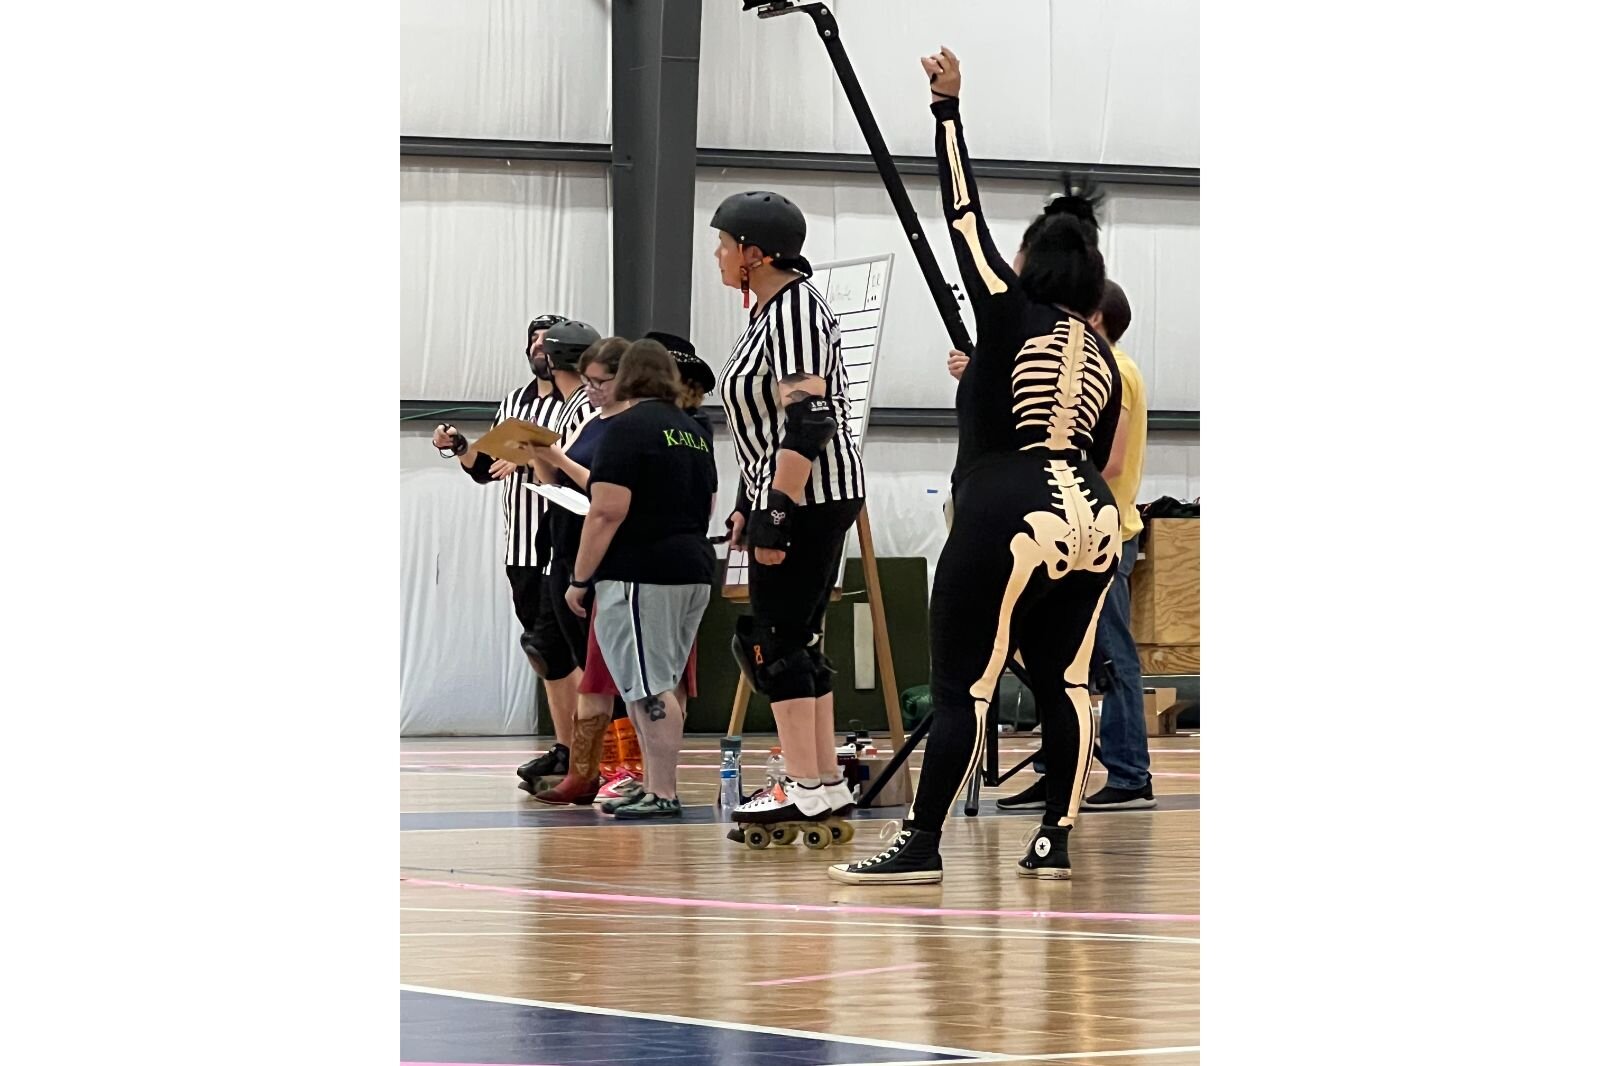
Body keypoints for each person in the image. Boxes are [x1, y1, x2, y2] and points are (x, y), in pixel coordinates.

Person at [830, 47, 1121, 885]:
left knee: (964, 686)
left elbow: (962, 217)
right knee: (1068, 681)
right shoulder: (1097, 348)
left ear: (1030, 263)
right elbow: (1092, 450)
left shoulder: (1006, 307)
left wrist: (947, 112)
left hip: (1006, 507)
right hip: (1090, 514)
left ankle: (920, 845)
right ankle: (1053, 840)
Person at [711, 189, 868, 836]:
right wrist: (751, 504)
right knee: (788, 639)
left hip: (808, 496)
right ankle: (822, 781)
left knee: (771, 643)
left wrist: (777, 509)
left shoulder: (795, 311)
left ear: (755, 252)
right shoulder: (770, 313)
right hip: (790, 494)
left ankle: (803, 784)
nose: (718, 256)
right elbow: (766, 427)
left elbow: (808, 421)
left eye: (724, 244)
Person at [998, 280, 1156, 811]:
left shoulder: (1117, 373)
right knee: (1055, 660)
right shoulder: (1095, 370)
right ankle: (1057, 769)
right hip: (1073, 532)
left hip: (1104, 535)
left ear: (1095, 319)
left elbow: (1107, 463)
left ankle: (1131, 774)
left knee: (1112, 660)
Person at [562, 339, 719, 818]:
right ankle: (652, 783)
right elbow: (708, 504)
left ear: (625, 377)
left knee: (648, 686)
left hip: (640, 573)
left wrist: (579, 578)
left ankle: (664, 790)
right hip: (692, 567)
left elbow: (606, 511)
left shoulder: (625, 429)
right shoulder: (691, 430)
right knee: (658, 680)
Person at [430, 313, 582, 787]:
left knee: (566, 648)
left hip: (561, 541)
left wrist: (530, 458)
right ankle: (565, 747)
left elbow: (574, 464)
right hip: (520, 544)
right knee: (545, 653)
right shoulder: (515, 402)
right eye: (534, 341)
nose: (540, 349)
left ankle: (583, 750)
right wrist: (459, 447)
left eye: (548, 342)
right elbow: (485, 468)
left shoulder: (578, 403)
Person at [522, 333, 631, 806]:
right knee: (583, 668)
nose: (590, 388)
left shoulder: (623, 425)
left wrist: (555, 456)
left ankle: (625, 770)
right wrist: (538, 455)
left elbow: (603, 492)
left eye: (598, 381)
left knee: (617, 672)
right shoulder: (589, 420)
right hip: (563, 547)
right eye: (586, 380)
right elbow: (558, 479)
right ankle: (584, 768)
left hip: (604, 557)